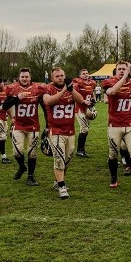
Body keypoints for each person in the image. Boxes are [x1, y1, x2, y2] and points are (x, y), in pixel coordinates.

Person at [42, 68, 85, 199]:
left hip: (70, 130)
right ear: (52, 78)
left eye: (62, 75)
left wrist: (71, 89)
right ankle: (62, 186)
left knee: (68, 158)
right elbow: (48, 101)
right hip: (55, 130)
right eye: (57, 76)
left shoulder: (71, 88)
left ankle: (57, 180)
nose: (60, 78)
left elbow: (81, 100)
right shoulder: (48, 88)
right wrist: (64, 90)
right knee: (59, 158)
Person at [102, 61, 131, 190]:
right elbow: (112, 92)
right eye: (119, 69)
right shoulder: (109, 81)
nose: (121, 71)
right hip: (115, 125)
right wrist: (125, 76)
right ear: (116, 70)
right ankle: (114, 177)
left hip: (130, 124)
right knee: (113, 154)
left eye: (124, 69)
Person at [3, 67, 46, 187]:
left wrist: (48, 125)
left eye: (26, 76)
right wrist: (17, 98)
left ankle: (31, 177)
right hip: (19, 125)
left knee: (32, 153)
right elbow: (5, 106)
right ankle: (22, 167)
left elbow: (44, 107)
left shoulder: (37, 89)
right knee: (17, 152)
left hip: (33, 126)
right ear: (19, 77)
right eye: (22, 77)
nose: (25, 79)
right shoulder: (14, 89)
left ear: (30, 77)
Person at [73, 68, 97, 158]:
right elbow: (74, 95)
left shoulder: (92, 83)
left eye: (87, 73)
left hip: (87, 108)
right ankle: (80, 150)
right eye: (83, 73)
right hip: (79, 108)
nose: (86, 74)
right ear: (80, 75)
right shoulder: (77, 82)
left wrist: (93, 99)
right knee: (84, 129)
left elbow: (91, 93)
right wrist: (83, 101)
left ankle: (81, 149)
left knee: (85, 129)